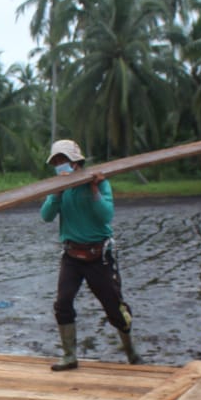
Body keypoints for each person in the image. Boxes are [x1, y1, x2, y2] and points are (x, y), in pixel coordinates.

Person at [39, 139, 142, 370]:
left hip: (99, 255)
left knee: (114, 307)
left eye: (63, 160)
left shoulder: (100, 183)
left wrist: (94, 189)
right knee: (63, 302)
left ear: (76, 162)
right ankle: (69, 356)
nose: (59, 165)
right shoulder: (58, 188)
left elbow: (105, 216)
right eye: (56, 162)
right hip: (72, 255)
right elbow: (45, 216)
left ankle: (131, 352)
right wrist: (56, 193)